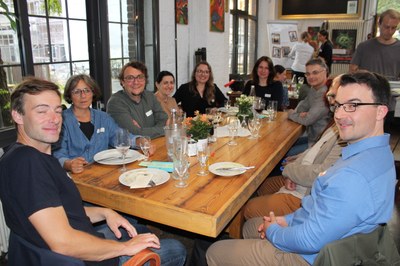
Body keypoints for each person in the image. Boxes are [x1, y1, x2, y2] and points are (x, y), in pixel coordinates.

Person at [206, 70, 395, 266]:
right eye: (338, 105)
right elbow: (319, 209)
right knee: (252, 226)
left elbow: (309, 240)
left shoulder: (353, 176)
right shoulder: (379, 154)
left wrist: (274, 231)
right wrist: (287, 220)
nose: (339, 114)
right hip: (327, 237)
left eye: (352, 106)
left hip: (314, 257)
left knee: (215, 251)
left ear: (381, 111)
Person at [0, 77, 187, 266]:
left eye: (57, 110)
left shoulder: (19, 157)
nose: (54, 119)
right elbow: (63, 242)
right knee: (175, 248)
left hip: (73, 240)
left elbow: (59, 213)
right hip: (84, 258)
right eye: (41, 111)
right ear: (17, 115)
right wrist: (125, 248)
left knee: (140, 229)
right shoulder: (28, 163)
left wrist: (104, 212)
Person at [243, 75, 344, 219]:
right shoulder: (332, 119)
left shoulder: (346, 130)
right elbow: (315, 149)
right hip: (303, 170)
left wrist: (290, 171)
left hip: (306, 192)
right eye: (330, 95)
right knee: (263, 186)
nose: (331, 100)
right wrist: (295, 166)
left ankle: (249, 226)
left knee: (248, 207)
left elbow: (322, 172)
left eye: (334, 95)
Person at [53, 74, 154, 174]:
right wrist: (69, 164)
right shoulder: (62, 120)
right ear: (69, 95)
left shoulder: (103, 118)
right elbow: (58, 155)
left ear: (93, 93)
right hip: (75, 177)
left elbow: (118, 136)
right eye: (77, 92)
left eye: (87, 90)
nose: (83, 96)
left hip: (102, 174)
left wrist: (139, 141)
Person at [107, 61, 168, 139]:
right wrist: (164, 130)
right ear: (122, 82)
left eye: (140, 77)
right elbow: (134, 133)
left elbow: (164, 120)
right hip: (130, 150)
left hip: (154, 144)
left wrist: (141, 130)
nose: (136, 82)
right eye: (130, 78)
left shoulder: (150, 96)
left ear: (145, 80)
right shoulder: (115, 103)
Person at [287, 58, 331, 155]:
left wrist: (291, 114)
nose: (311, 76)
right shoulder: (314, 89)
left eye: (315, 73)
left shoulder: (325, 93)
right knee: (284, 145)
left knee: (284, 153)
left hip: (320, 145)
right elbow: (302, 107)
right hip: (312, 138)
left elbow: (307, 120)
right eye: (308, 74)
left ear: (325, 72)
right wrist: (301, 114)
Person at [350, 9, 400, 80]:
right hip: (368, 88)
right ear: (379, 24)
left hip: (391, 89)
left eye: (393, 28)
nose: (390, 31)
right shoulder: (364, 46)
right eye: (386, 27)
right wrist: (364, 74)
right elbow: (352, 70)